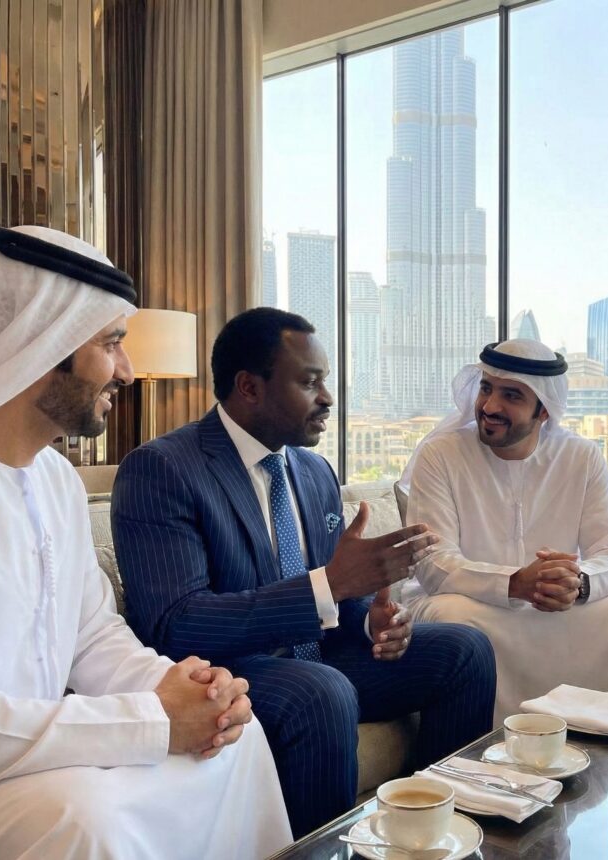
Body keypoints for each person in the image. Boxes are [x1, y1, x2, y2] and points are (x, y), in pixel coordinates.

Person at [112, 307, 497, 837]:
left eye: (326, 381)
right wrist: (333, 585)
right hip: (231, 668)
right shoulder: (162, 469)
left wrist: (372, 623)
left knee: (465, 650)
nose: (328, 398)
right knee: (321, 691)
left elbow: (335, 594)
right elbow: (176, 622)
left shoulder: (314, 471)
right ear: (250, 387)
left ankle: (436, 836)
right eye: (310, 382)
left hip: (322, 657)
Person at [0, 226, 290, 859]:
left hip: (46, 753)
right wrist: (151, 720)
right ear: (44, 342)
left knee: (235, 741)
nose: (126, 371)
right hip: (13, 768)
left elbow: (92, 638)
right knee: (84, 819)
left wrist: (195, 691)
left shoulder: (57, 480)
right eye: (111, 344)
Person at [399, 339, 608, 722]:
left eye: (511, 396)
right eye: (486, 388)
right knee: (452, 617)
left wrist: (578, 583)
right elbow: (433, 563)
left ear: (544, 410)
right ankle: (481, 748)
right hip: (473, 603)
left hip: (556, 606)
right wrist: (514, 583)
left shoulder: (581, 456)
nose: (490, 406)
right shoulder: (441, 454)